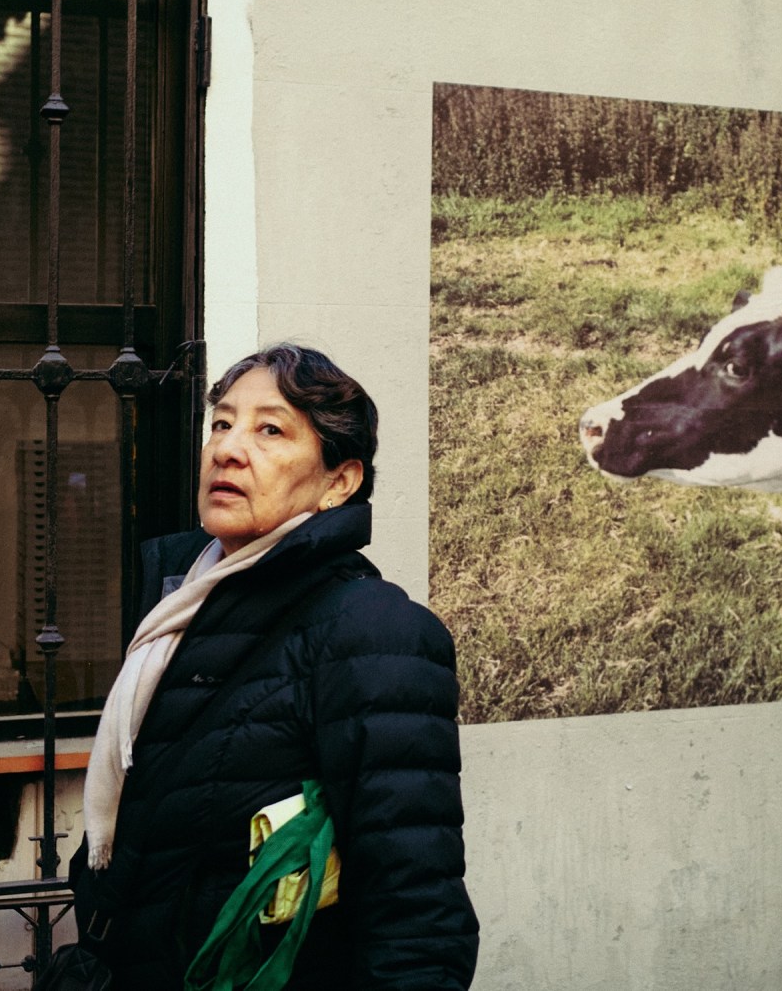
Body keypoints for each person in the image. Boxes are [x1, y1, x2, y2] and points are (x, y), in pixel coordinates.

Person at [75, 343, 479, 989]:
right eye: (222, 423)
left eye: (270, 430)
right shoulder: (182, 607)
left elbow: (415, 904)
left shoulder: (372, 632)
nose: (228, 449)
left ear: (339, 482)